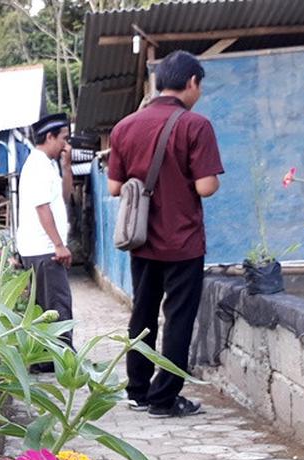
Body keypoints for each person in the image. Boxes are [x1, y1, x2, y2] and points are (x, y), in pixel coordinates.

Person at [108, 50, 223, 418]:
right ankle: (164, 398)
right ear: (191, 82)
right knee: (178, 319)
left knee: (141, 315)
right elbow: (206, 187)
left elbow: (114, 188)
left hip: (141, 241)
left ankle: (138, 390)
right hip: (183, 241)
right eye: (199, 85)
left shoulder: (124, 127)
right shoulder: (196, 126)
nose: (199, 92)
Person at [17, 112, 74, 373]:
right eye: (63, 138)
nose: (66, 144)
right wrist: (59, 245)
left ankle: (45, 360)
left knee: (45, 306)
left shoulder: (45, 164)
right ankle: (62, 361)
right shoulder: (38, 165)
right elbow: (42, 208)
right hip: (44, 250)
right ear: (49, 137)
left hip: (40, 249)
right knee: (57, 305)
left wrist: (67, 166)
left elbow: (64, 197)